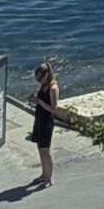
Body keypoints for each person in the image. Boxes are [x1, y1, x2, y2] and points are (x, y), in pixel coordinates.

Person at [28, 59, 60, 189]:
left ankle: (49, 177)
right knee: (40, 147)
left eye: (40, 79)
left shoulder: (53, 88)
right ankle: (43, 173)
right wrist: (35, 100)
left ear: (46, 75)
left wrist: (39, 101)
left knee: (46, 150)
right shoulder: (44, 86)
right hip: (39, 118)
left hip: (47, 121)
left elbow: (53, 108)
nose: (39, 82)